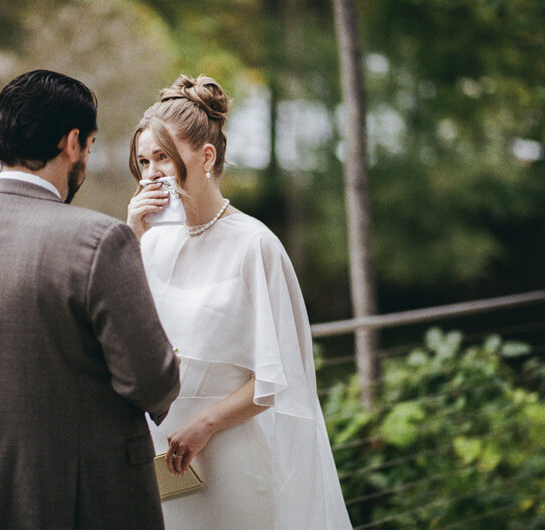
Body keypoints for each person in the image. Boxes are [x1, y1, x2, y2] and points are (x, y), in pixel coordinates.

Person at [0, 69, 181, 529]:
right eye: (89, 146)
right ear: (72, 143)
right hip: (87, 507)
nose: (86, 156)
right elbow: (152, 381)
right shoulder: (100, 240)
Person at [126, 74, 352, 529]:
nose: (151, 174)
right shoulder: (149, 243)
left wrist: (205, 424)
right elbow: (121, 337)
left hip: (229, 454)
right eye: (144, 161)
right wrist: (130, 235)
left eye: (163, 159)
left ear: (206, 157)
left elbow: (277, 376)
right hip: (159, 454)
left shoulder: (255, 245)